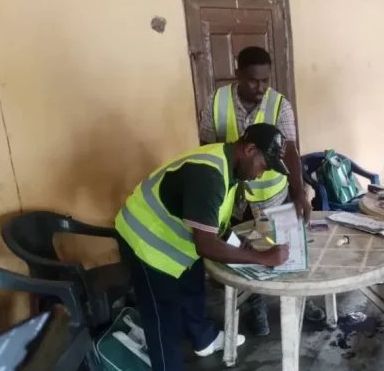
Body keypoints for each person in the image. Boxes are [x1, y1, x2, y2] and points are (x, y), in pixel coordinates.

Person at [115, 123, 291, 371]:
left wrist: (240, 245)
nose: (260, 175)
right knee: (164, 320)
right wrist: (261, 258)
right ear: (250, 149)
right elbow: (206, 245)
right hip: (144, 241)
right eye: (263, 166)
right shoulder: (209, 175)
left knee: (193, 285)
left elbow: (214, 223)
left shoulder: (228, 164)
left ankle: (204, 338)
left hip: (174, 237)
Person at [199, 46, 324, 335]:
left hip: (273, 194)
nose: (261, 87)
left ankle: (299, 300)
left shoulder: (280, 105)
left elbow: (291, 150)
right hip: (234, 197)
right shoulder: (216, 101)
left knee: (286, 247)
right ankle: (255, 305)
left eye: (266, 80)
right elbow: (208, 146)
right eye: (254, 80)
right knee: (246, 247)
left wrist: (297, 192)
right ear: (238, 73)